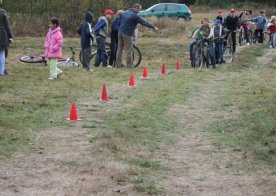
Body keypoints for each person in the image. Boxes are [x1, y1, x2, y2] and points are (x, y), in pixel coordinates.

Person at [115, 3, 158, 68]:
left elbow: (119, 21)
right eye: (139, 9)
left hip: (120, 32)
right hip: (127, 34)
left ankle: (117, 65)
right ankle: (130, 65)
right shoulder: (135, 16)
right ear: (135, 8)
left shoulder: (125, 12)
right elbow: (144, 22)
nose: (139, 11)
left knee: (119, 49)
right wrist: (153, 27)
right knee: (129, 50)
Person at [0, 0, 13, 76]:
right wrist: (10, 36)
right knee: (2, 53)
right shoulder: (2, 12)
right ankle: (1, 72)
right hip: (2, 35)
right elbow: (7, 25)